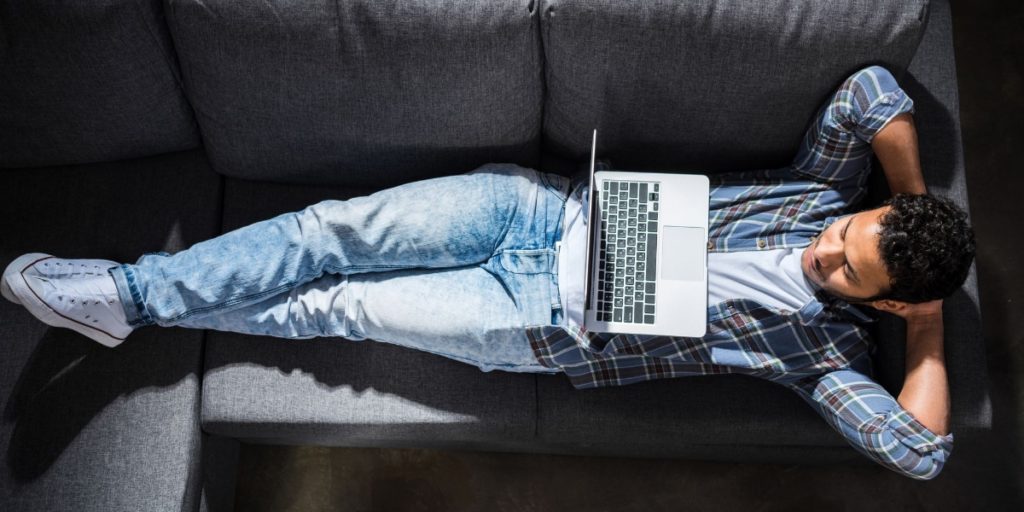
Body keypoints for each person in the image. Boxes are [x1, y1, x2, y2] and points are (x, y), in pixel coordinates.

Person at [1, 66, 974, 481]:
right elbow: (873, 90)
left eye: (844, 272)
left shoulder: (819, 350)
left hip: (537, 320)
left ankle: (134, 309)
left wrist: (916, 318)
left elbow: (918, 450)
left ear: (876, 300)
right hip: (540, 207)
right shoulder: (817, 194)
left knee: (336, 309)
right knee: (325, 229)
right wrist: (905, 198)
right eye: (848, 232)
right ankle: (132, 295)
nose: (821, 251)